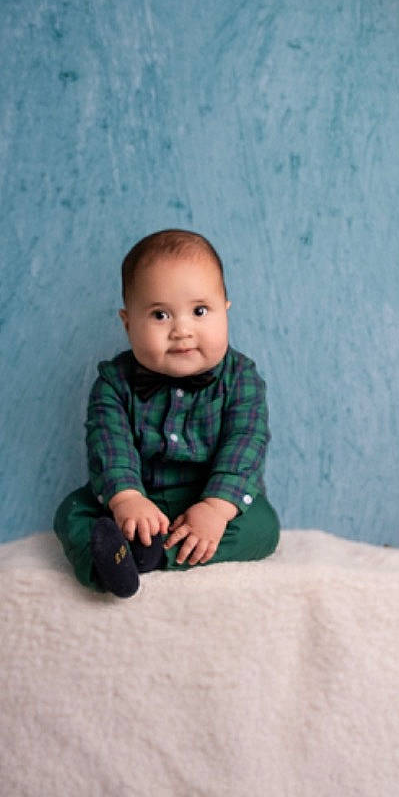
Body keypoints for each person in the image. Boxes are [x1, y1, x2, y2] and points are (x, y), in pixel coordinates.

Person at [52, 229, 280, 597]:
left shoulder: (242, 378)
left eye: (200, 311)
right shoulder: (113, 383)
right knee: (72, 511)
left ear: (225, 311)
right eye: (160, 315)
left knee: (263, 527)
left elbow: (246, 442)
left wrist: (216, 508)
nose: (182, 330)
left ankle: (149, 556)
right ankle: (107, 561)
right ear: (128, 323)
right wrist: (126, 499)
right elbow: (108, 444)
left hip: (208, 498)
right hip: (138, 499)